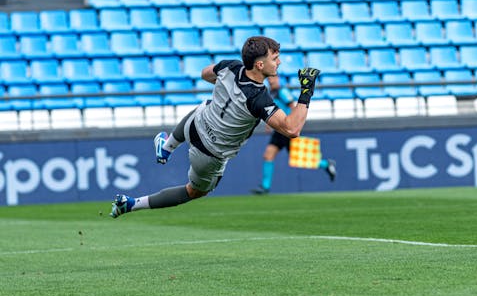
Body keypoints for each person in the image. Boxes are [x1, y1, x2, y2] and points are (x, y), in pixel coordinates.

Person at [109, 36, 320, 218]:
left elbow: (205, 73)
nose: (279, 62)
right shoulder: (258, 98)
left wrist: (226, 89)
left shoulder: (231, 66)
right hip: (210, 154)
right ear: (260, 65)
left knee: (207, 106)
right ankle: (132, 204)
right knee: (194, 191)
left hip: (195, 125)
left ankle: (168, 146)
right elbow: (292, 129)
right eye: (275, 59)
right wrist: (306, 92)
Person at [251, 76, 336, 195]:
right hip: (279, 129)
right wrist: (270, 124)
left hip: (286, 128)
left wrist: (292, 123)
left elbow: (292, 106)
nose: (271, 81)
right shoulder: (271, 93)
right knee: (268, 155)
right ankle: (265, 187)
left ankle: (326, 164)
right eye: (269, 79)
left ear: (278, 79)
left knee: (299, 158)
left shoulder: (282, 91)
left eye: (273, 79)